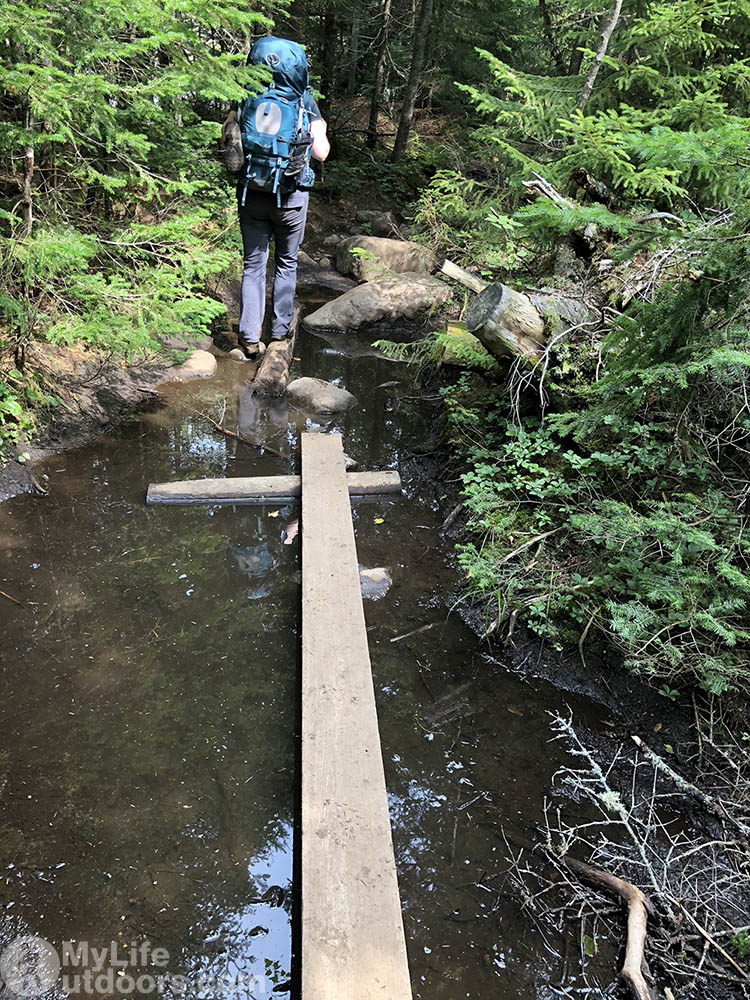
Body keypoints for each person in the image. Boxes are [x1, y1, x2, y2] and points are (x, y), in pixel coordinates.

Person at [224, 39, 330, 360]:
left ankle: (249, 338)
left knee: (254, 265)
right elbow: (322, 153)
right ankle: (281, 331)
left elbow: (228, 136)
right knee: (286, 262)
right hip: (290, 196)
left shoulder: (246, 96)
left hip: (251, 193)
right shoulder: (303, 100)